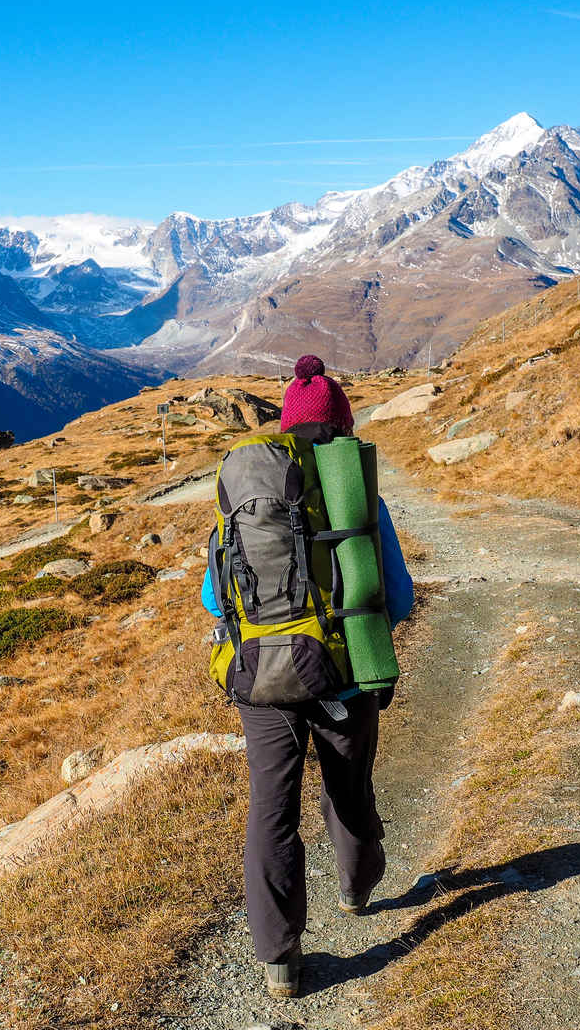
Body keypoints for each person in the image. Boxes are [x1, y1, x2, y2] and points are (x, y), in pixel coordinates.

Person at [201, 354, 413, 998]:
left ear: (287, 428)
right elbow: (396, 600)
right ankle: (355, 890)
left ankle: (279, 959)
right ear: (343, 426)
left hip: (261, 678)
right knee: (348, 789)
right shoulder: (356, 497)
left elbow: (216, 599)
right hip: (342, 679)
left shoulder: (245, 494)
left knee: (271, 808)